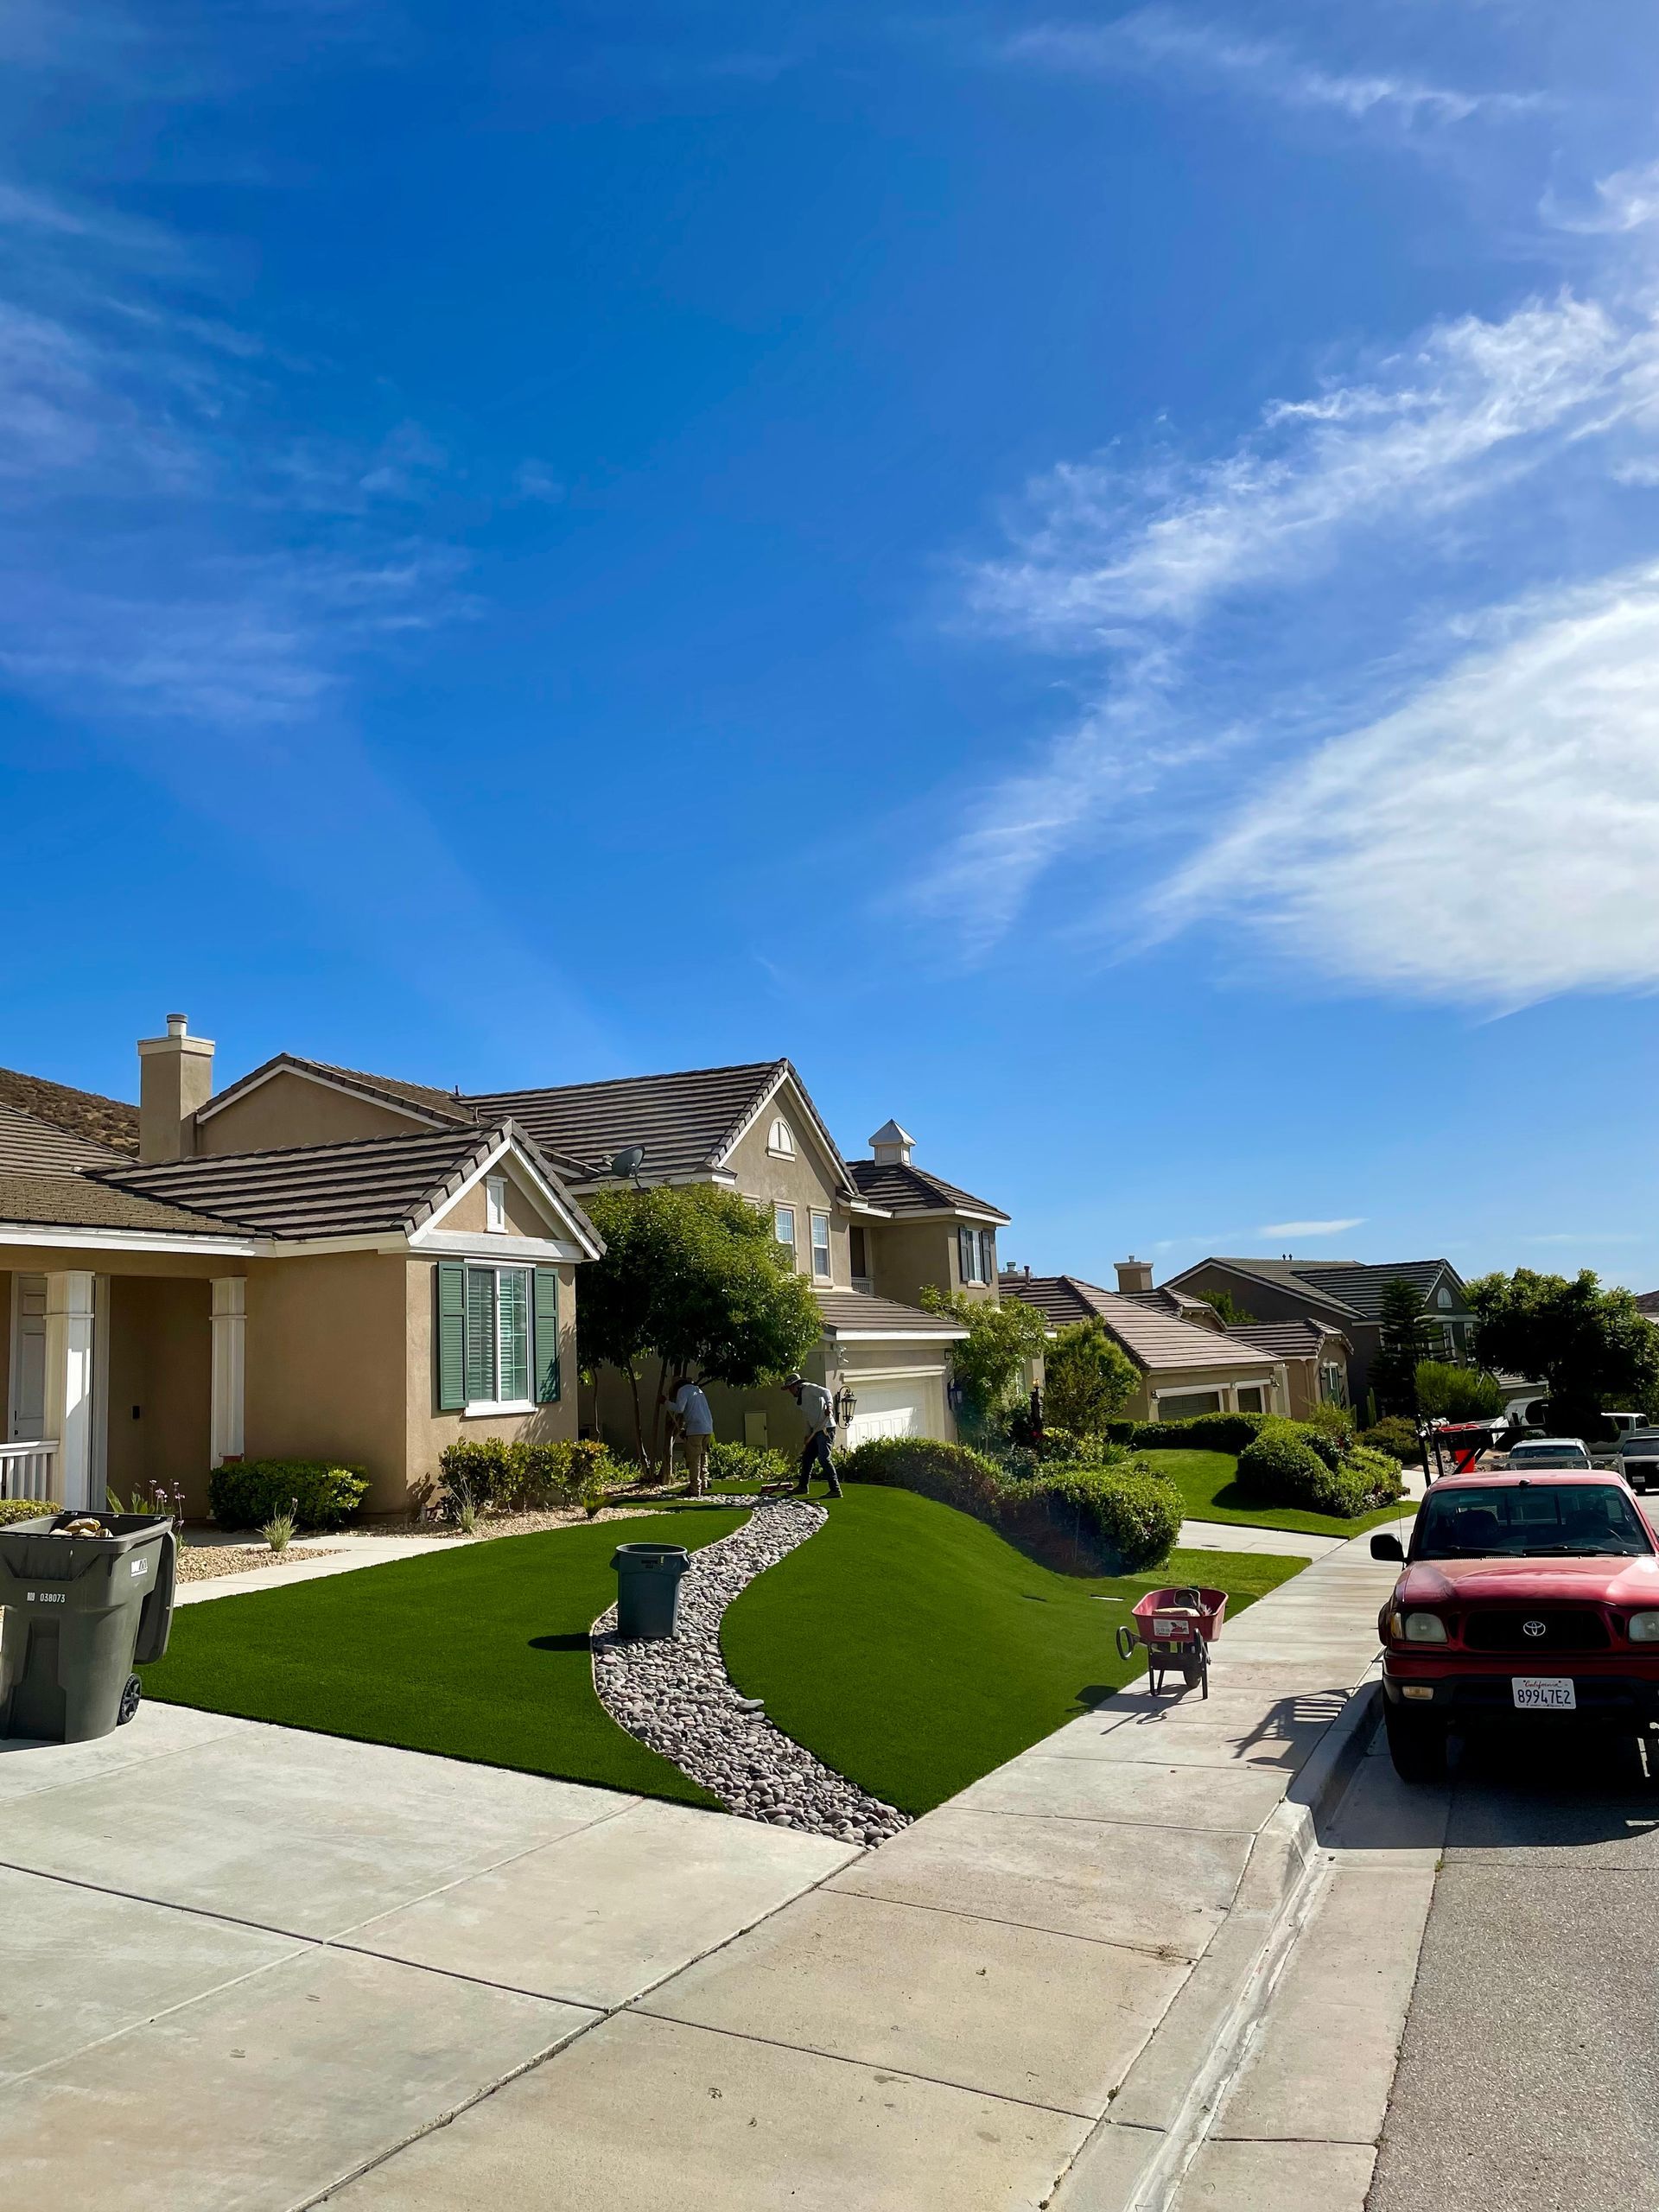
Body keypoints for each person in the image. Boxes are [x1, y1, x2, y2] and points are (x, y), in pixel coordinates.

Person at [785, 1373, 842, 1498]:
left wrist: (829, 1406)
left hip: (826, 1427)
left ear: (796, 1385)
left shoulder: (809, 1388)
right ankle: (803, 1487)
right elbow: (808, 1419)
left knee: (824, 1458)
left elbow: (826, 1392)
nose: (789, 1391)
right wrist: (807, 1435)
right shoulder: (799, 1401)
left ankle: (835, 1490)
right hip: (815, 1431)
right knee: (807, 1458)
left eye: (790, 1388)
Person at [666, 1374, 714, 1496]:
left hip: (696, 1429)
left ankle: (694, 1487)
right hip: (707, 1428)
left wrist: (665, 1403)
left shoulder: (683, 1390)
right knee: (703, 1455)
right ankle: (704, 1482)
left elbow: (680, 1408)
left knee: (694, 1459)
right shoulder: (697, 1390)